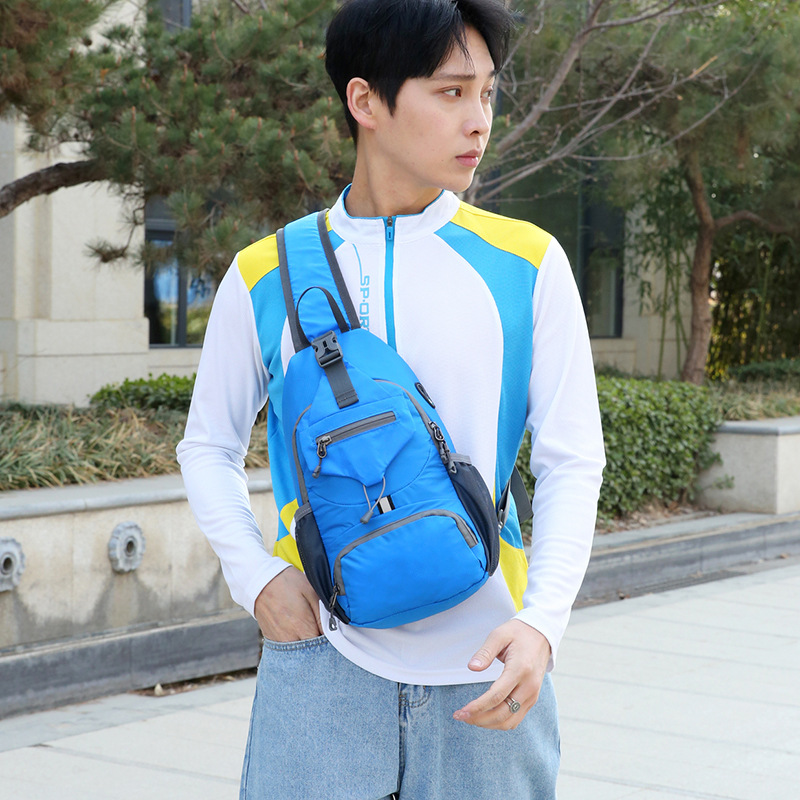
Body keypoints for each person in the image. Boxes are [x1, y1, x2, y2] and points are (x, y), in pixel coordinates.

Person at [177, 0, 605, 796]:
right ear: (365, 101)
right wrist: (256, 580)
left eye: (487, 92)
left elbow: (573, 459)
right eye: (451, 93)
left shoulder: (527, 264)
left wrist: (543, 623)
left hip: (489, 661)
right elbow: (207, 445)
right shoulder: (266, 272)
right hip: (321, 661)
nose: (479, 120)